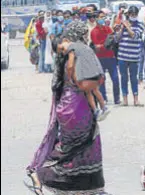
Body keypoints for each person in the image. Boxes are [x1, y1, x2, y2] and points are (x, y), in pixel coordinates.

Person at [25, 21, 108, 195]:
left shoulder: (63, 56)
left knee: (68, 147)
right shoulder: (76, 54)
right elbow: (80, 79)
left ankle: (80, 188)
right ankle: (43, 175)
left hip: (66, 106)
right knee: (83, 147)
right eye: (84, 35)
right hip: (78, 107)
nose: (85, 38)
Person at [61, 21, 110, 121]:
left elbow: (70, 66)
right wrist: (101, 73)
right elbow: (96, 61)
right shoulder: (87, 48)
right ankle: (104, 107)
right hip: (95, 74)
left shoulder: (72, 47)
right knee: (96, 90)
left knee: (88, 92)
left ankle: (96, 110)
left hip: (84, 75)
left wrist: (69, 77)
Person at [116, 6, 144, 106]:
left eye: (135, 14)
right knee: (123, 78)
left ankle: (136, 99)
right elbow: (117, 39)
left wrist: (128, 27)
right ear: (128, 14)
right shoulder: (123, 24)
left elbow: (134, 36)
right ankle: (125, 99)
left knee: (133, 78)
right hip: (122, 56)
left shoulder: (140, 25)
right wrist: (121, 28)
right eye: (131, 14)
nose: (133, 16)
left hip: (134, 57)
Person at [91, 11, 121, 105]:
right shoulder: (94, 31)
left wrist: (105, 45)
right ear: (96, 19)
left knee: (115, 78)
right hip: (100, 58)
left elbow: (113, 38)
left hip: (111, 57)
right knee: (102, 80)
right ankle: (103, 97)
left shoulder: (108, 28)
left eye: (103, 17)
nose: (102, 19)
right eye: (100, 17)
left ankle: (117, 98)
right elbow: (97, 46)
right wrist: (106, 44)